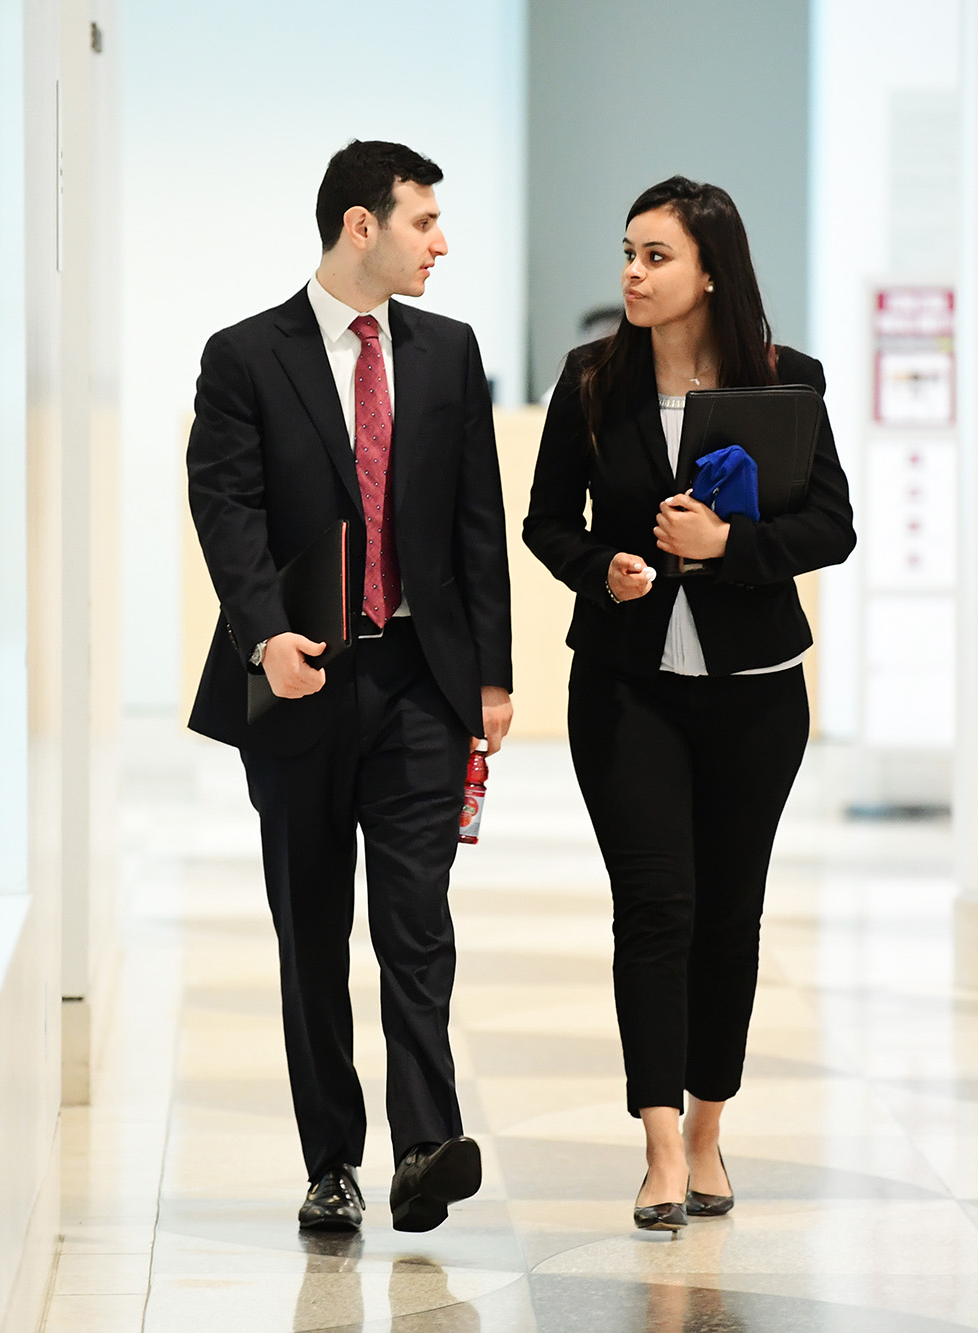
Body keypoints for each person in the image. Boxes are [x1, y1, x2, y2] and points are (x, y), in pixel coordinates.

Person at [187, 140, 514, 1234]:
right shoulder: (245, 356)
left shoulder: (448, 353)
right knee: (311, 926)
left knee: (414, 917)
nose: (441, 241)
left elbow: (476, 526)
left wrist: (493, 679)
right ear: (359, 226)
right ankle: (331, 1159)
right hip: (301, 680)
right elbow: (224, 509)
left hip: (420, 678)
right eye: (423, 220)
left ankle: (424, 1142)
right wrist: (264, 634)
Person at [522, 176, 855, 1230]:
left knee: (727, 913)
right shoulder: (588, 380)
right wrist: (601, 568)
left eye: (655, 255)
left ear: (710, 270)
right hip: (625, 689)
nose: (630, 271)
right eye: (626, 251)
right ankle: (660, 1144)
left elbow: (830, 527)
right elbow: (544, 522)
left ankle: (710, 1127)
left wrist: (730, 548)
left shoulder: (782, 379)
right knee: (656, 906)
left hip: (753, 696)